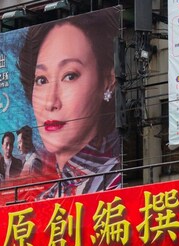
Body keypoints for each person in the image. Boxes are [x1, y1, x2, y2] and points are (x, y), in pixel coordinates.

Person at [19, 9, 121, 199]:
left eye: (69, 76)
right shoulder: (45, 201)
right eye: (41, 80)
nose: (51, 102)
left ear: (107, 79)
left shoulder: (116, 184)